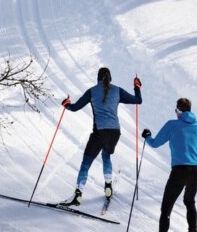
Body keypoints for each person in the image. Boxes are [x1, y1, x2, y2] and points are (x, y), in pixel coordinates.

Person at [140, 98, 197, 232]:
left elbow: (155, 143)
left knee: (166, 207)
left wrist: (147, 136)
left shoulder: (172, 124)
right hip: (196, 170)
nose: (175, 113)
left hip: (180, 170)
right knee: (190, 201)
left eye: (176, 111)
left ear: (180, 111)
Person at [59, 67, 142, 206]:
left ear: (98, 78)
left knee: (86, 164)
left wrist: (66, 104)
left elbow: (74, 108)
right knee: (106, 156)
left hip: (99, 132)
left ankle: (78, 195)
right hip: (115, 132)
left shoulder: (92, 91)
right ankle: (108, 185)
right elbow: (138, 100)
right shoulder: (117, 90)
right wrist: (137, 86)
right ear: (110, 78)